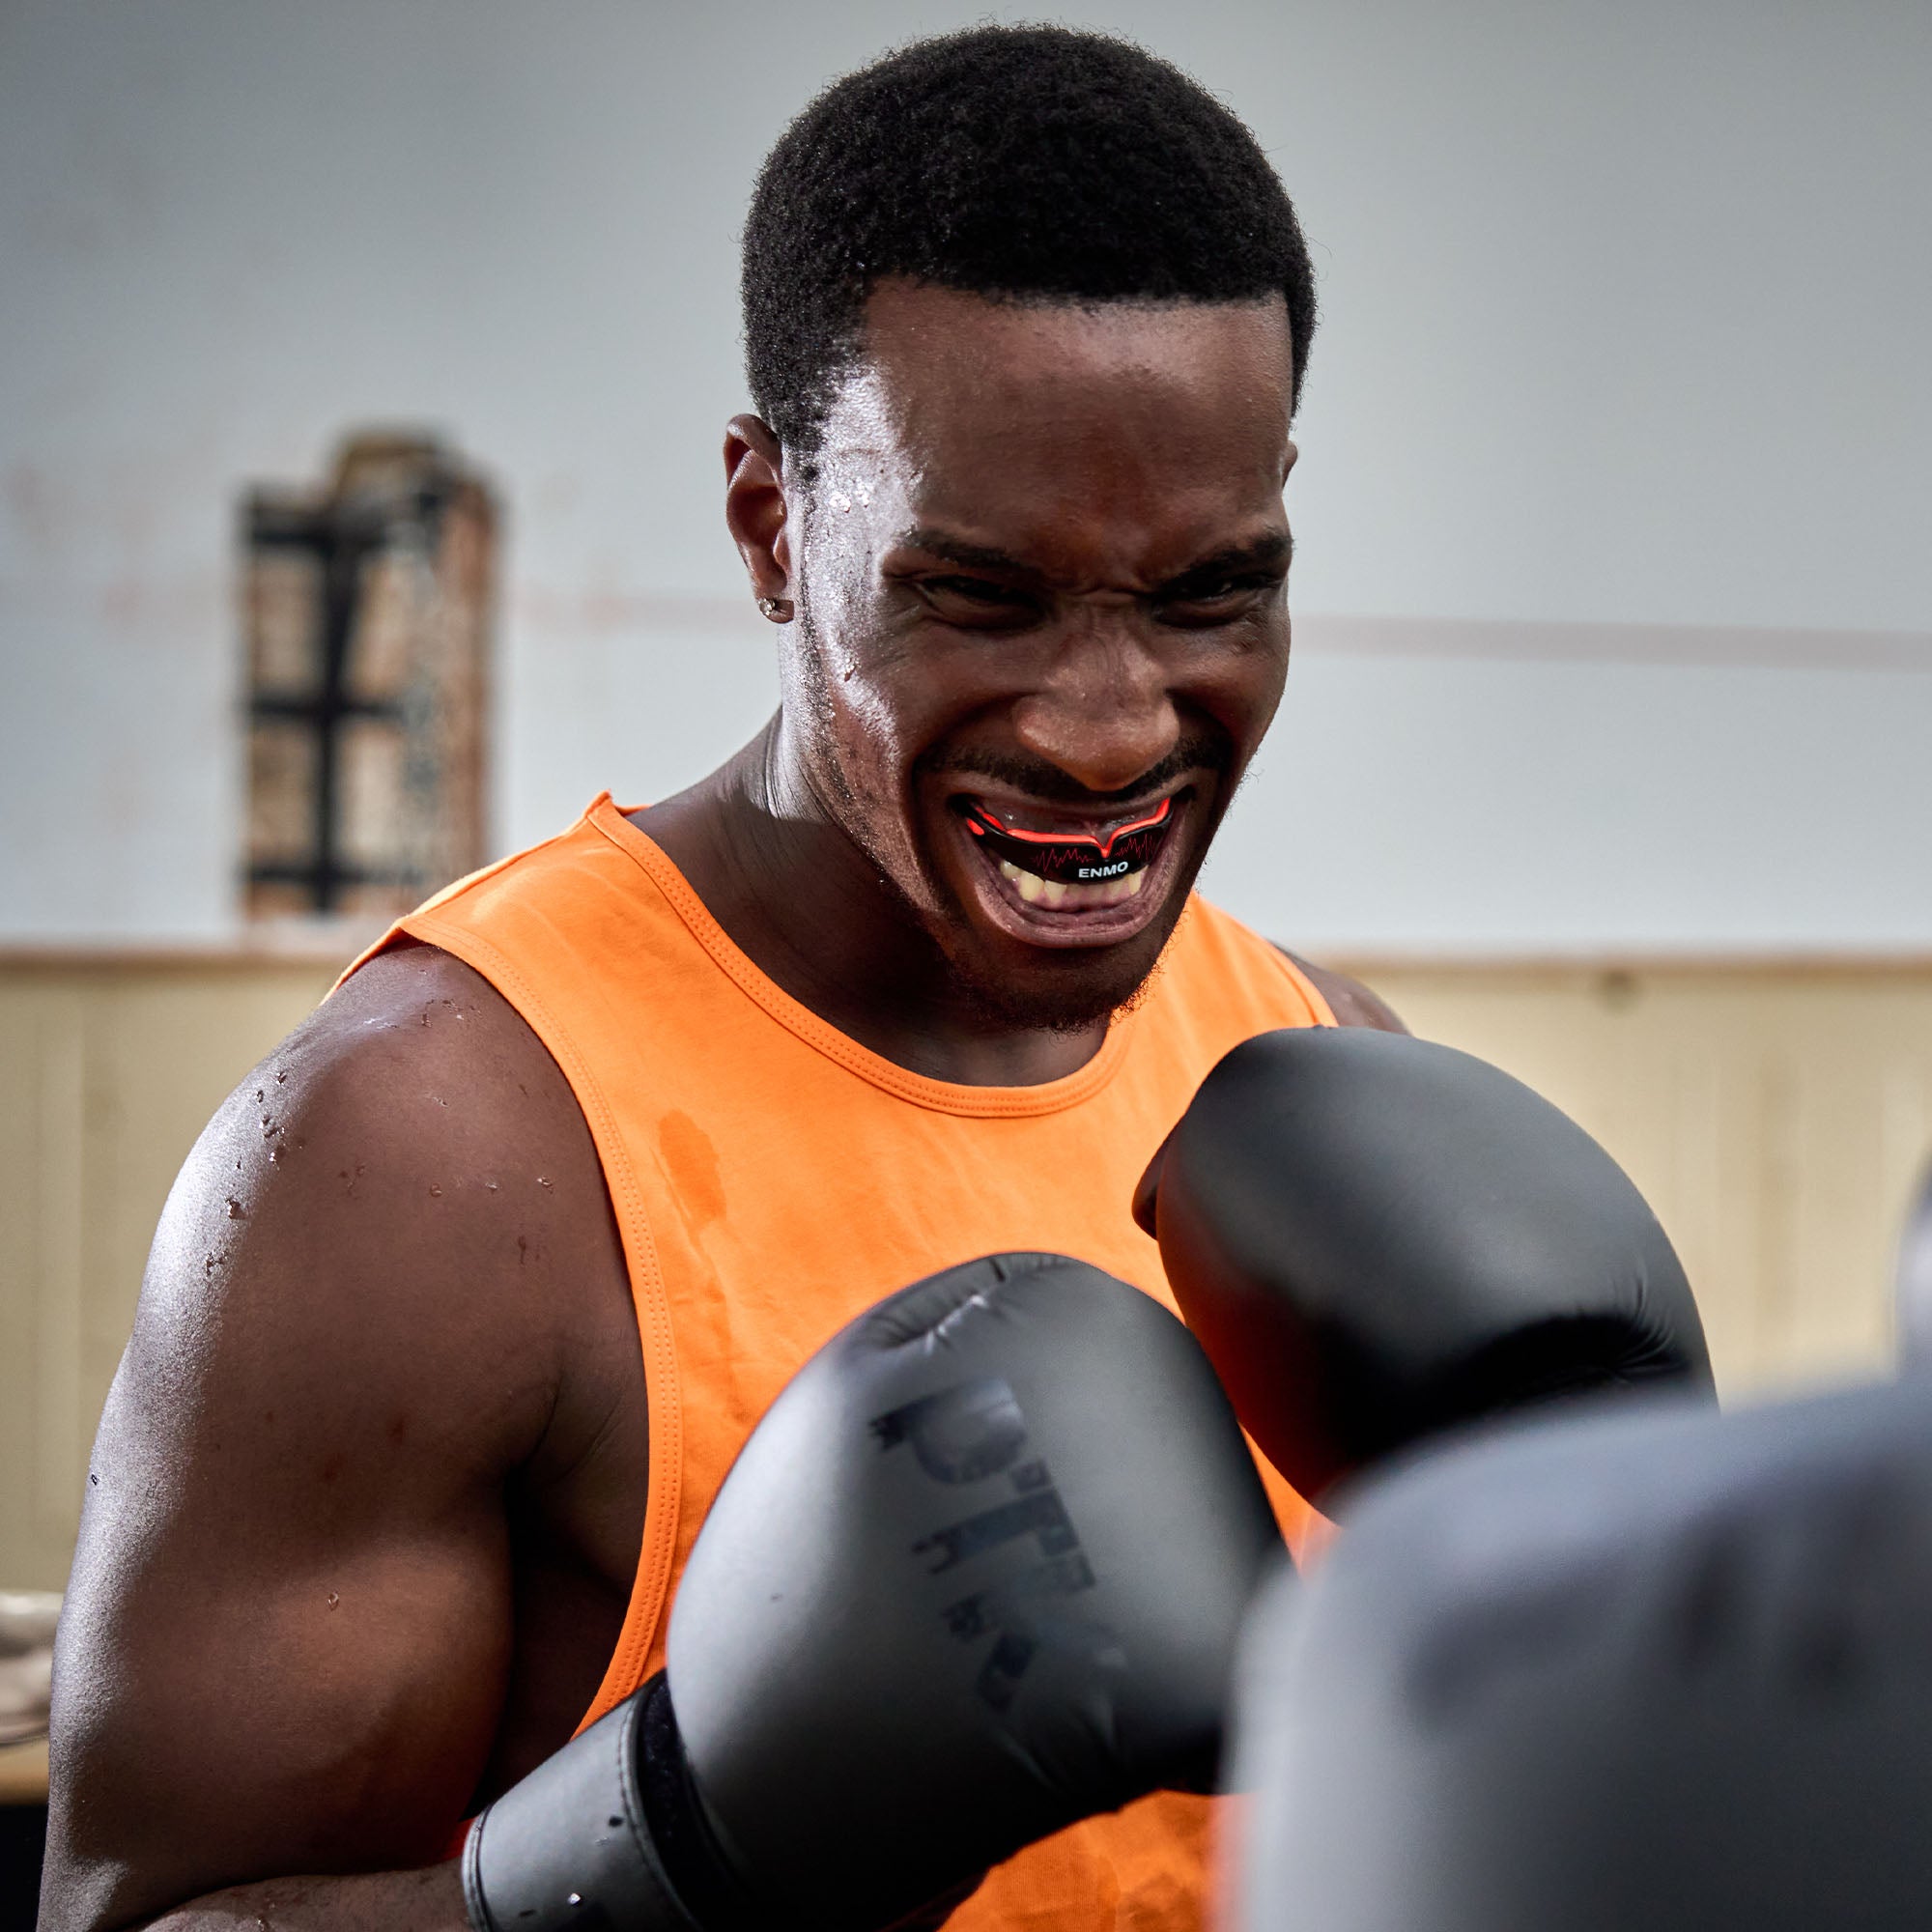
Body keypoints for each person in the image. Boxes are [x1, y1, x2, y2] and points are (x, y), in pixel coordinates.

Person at [42, 25, 1402, 1932]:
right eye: (976, 595)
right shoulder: (431, 1147)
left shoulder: (1322, 1070)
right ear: (775, 523)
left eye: (1206, 595)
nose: (1108, 729)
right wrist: (689, 1831)